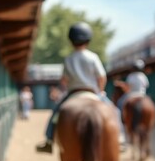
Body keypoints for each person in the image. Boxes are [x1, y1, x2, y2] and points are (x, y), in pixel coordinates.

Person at [36, 22, 112, 153]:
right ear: (89, 40)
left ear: (71, 41)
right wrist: (100, 91)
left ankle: (49, 140)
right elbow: (102, 77)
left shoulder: (68, 59)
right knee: (113, 111)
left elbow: (64, 80)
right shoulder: (93, 57)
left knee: (55, 114)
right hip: (92, 93)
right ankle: (120, 138)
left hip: (73, 93)